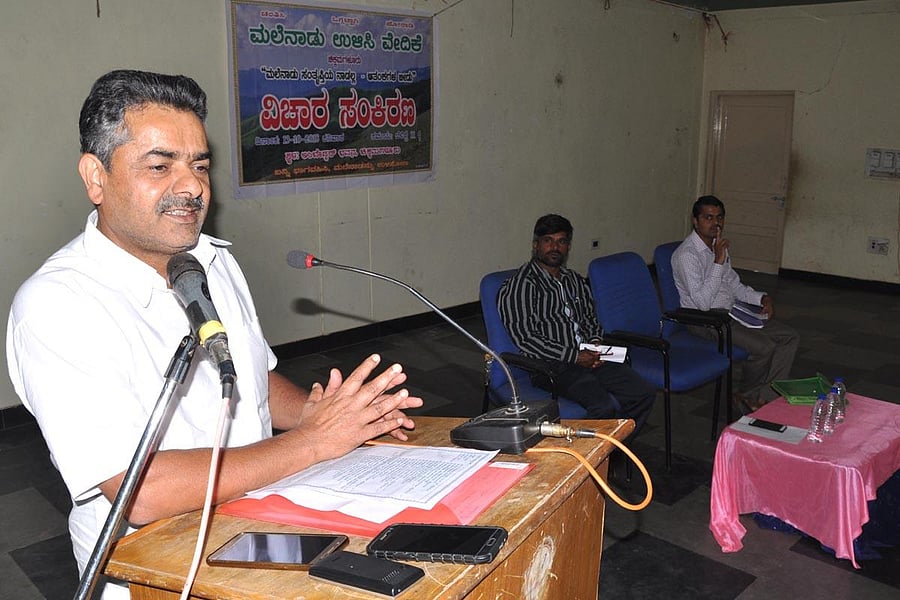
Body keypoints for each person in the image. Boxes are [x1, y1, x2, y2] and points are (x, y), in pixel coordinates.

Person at [5, 70, 422, 599]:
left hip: (257, 531)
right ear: (96, 177)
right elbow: (143, 490)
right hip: (159, 570)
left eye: (199, 165)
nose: (191, 187)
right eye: (160, 166)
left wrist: (320, 414)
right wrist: (313, 442)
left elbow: (252, 376)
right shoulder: (57, 305)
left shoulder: (208, 260)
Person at [497, 214, 656, 438]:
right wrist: (574, 356)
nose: (555, 247)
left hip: (587, 356)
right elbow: (526, 338)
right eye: (548, 241)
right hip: (551, 365)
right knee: (602, 407)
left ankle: (615, 451)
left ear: (568, 247)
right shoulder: (521, 285)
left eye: (561, 242)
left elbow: (590, 319)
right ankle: (592, 460)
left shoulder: (574, 280)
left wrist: (595, 343)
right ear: (536, 246)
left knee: (642, 392)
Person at [671, 195, 800, 413]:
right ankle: (747, 395)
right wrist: (718, 262)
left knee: (789, 337)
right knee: (764, 347)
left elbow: (734, 285)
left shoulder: (717, 246)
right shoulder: (687, 255)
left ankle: (763, 397)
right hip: (705, 320)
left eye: (719, 217)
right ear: (695, 221)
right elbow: (702, 303)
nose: (716, 223)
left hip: (732, 312)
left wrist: (762, 298)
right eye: (708, 218)